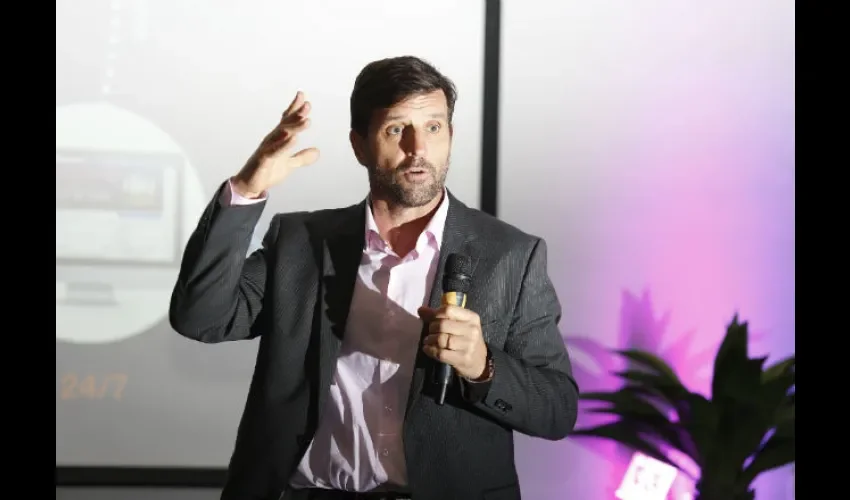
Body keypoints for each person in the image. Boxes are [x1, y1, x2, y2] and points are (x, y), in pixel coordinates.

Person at [169, 56, 579, 500]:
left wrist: (482, 366)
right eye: (396, 129)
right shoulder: (301, 243)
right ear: (359, 145)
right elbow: (200, 318)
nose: (418, 148)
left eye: (434, 127)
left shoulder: (511, 255)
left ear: (451, 135)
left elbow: (557, 409)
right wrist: (246, 192)